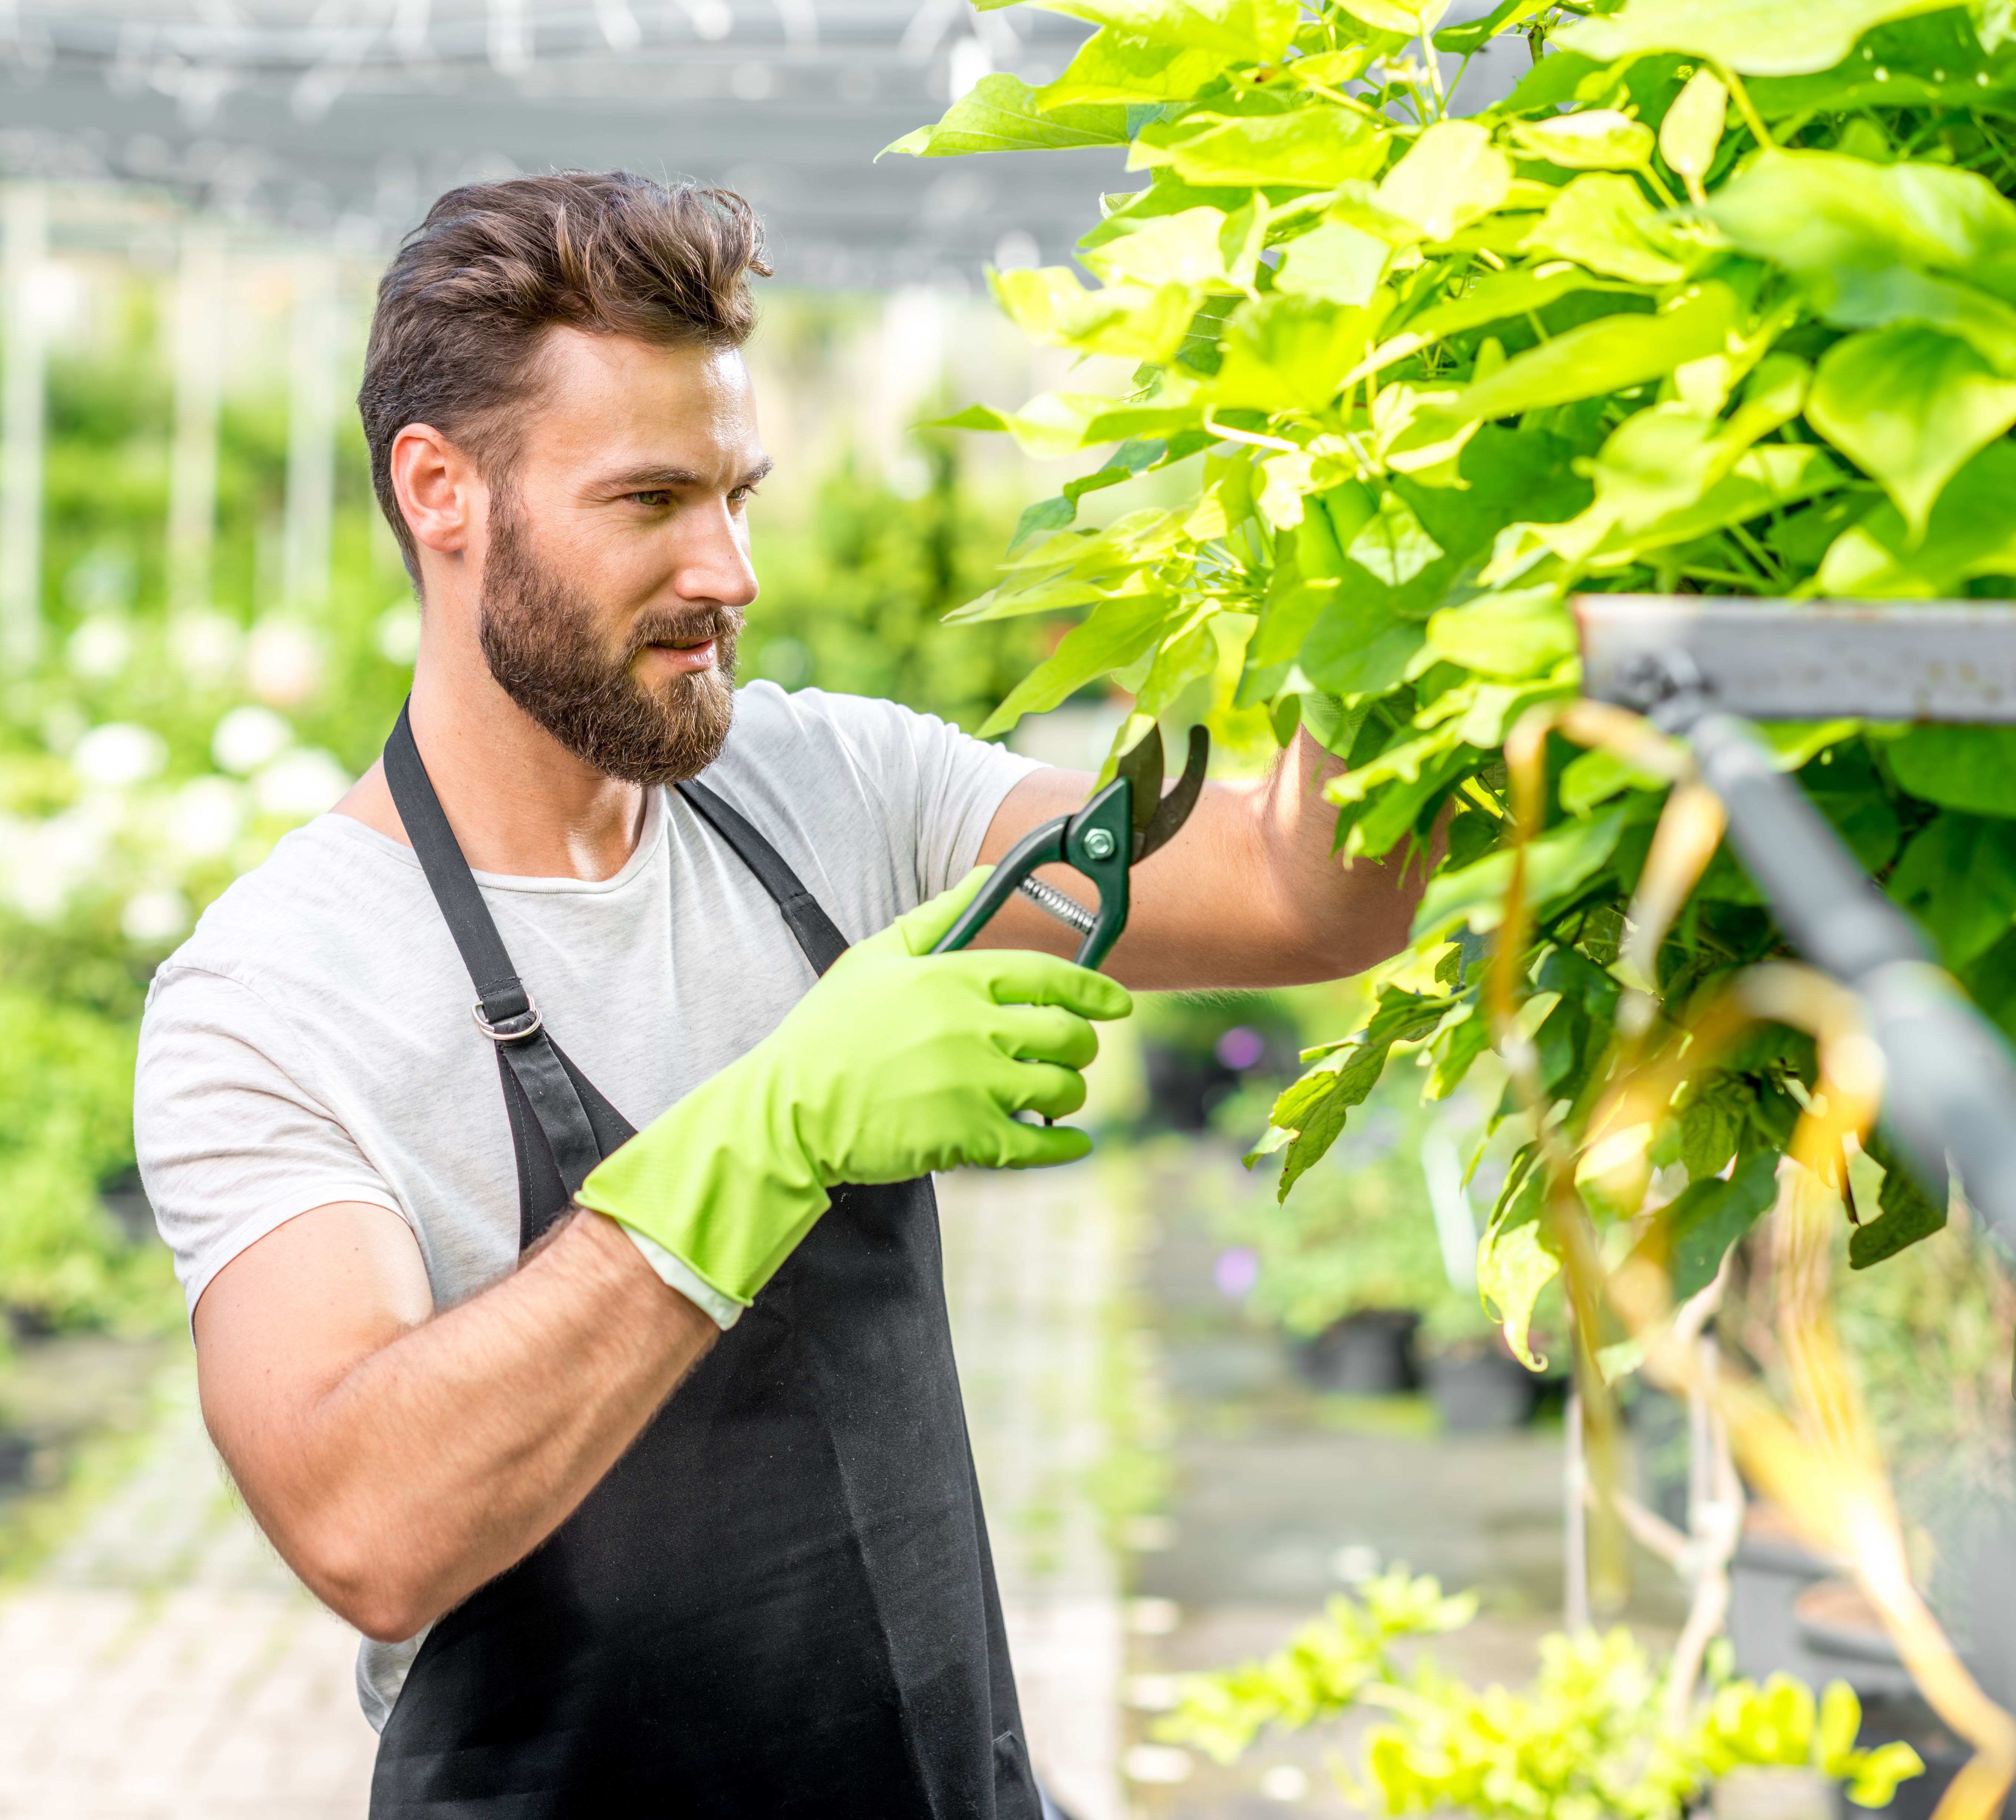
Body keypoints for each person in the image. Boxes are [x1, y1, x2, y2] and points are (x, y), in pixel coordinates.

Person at [135, 172, 1422, 1818]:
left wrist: (1403, 551)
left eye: (737, 492)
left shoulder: (830, 788)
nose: (729, 569)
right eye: (652, 500)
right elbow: (364, 1526)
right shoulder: (279, 989)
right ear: (441, 490)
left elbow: (1301, 894)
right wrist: (771, 1126)